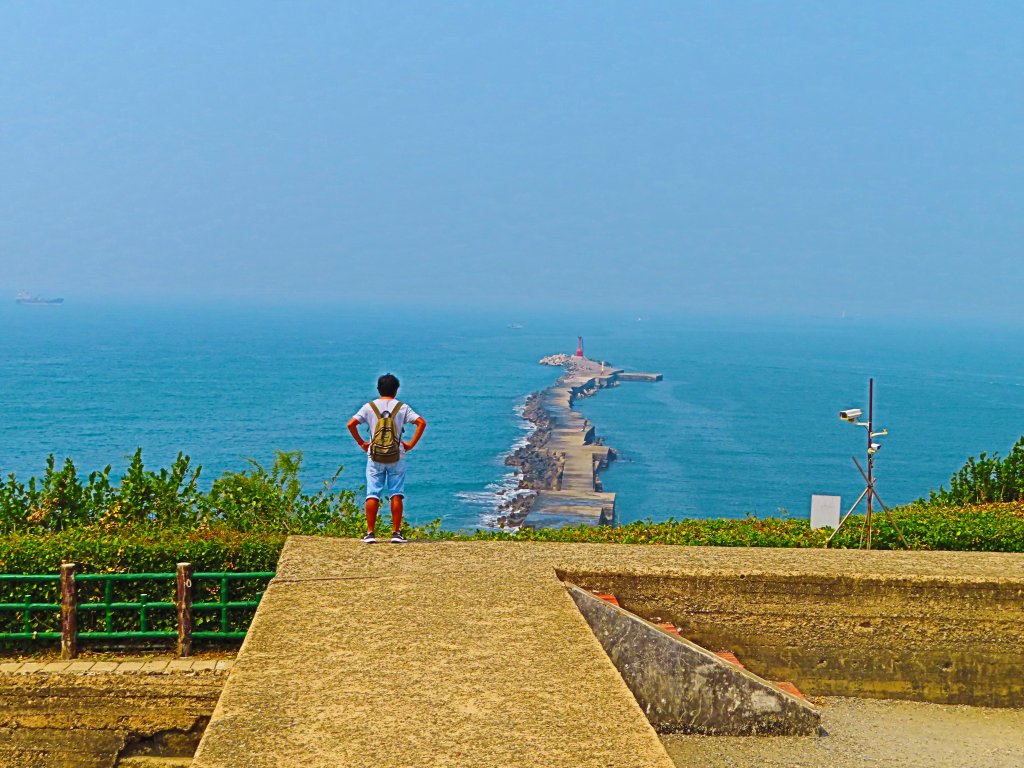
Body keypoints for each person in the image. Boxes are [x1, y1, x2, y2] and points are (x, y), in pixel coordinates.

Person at [347, 373, 427, 544]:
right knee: (396, 493)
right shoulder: (402, 407)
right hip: (397, 455)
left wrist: (362, 443)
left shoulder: (369, 407)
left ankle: (370, 533)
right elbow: (421, 422)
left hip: (374, 455)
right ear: (396, 390)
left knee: (372, 493)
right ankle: (396, 533)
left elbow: (351, 424)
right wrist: (411, 444)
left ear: (378, 389)